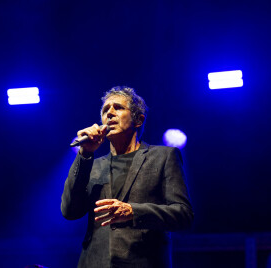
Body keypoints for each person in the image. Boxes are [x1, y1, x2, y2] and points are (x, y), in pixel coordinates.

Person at [61, 86, 193, 268]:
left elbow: (183, 214)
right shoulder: (93, 165)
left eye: (118, 108)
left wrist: (133, 212)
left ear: (138, 120)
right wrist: (84, 155)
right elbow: (69, 211)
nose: (110, 113)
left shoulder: (164, 156)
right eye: (105, 110)